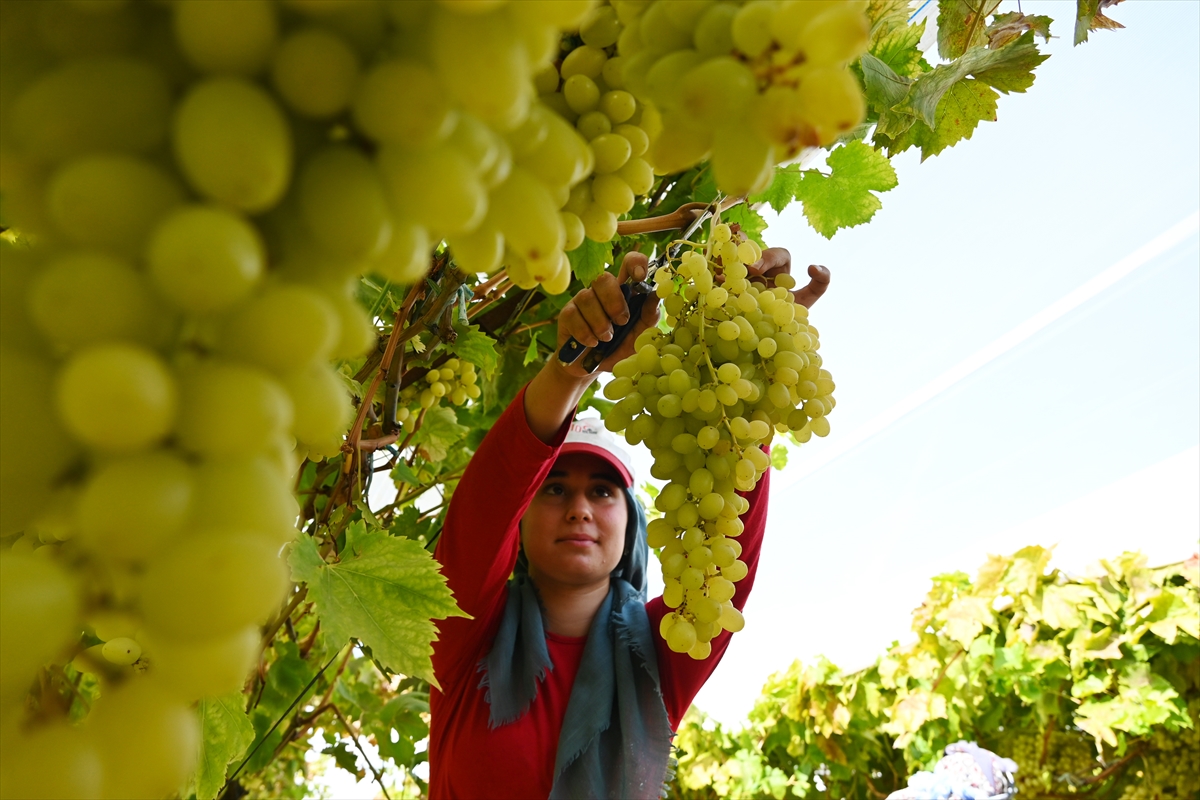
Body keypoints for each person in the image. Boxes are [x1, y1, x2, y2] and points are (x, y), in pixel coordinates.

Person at [428, 248, 831, 799]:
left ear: (633, 523)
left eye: (602, 490)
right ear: (519, 520)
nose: (580, 508)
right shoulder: (464, 635)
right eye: (554, 488)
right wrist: (571, 369)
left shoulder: (662, 654)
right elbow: (487, 500)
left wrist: (749, 389)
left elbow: (727, 550)